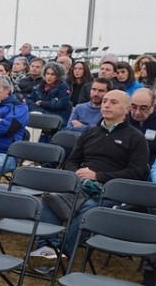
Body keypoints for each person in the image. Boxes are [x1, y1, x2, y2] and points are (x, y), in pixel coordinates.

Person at [29, 89, 149, 271]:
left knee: (88, 211)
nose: (107, 104)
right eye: (105, 101)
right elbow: (71, 160)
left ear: (127, 109)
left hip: (111, 190)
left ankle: (56, 254)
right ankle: (46, 251)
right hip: (81, 184)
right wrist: (76, 174)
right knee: (49, 199)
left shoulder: (136, 138)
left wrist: (98, 176)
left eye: (114, 102)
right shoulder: (90, 132)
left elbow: (137, 172)